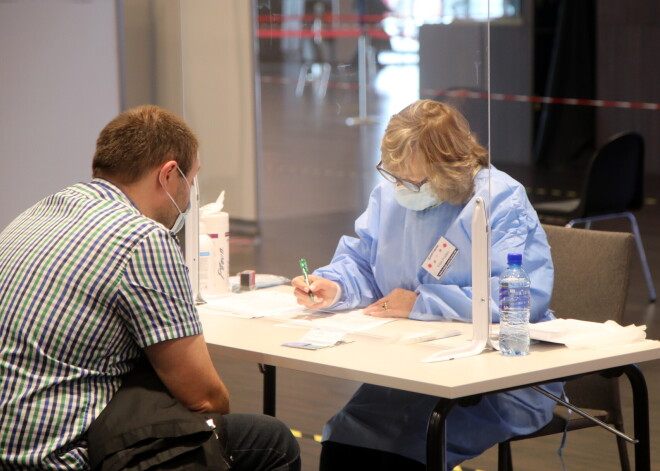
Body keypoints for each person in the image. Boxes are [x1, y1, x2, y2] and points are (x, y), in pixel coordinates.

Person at [0, 105, 300, 471]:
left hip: (12, 444)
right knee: (271, 440)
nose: (190, 195)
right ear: (169, 175)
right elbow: (204, 398)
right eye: (192, 180)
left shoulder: (37, 213)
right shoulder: (142, 239)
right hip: (61, 457)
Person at [291, 99, 561, 470]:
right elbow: (363, 262)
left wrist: (421, 303)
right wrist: (333, 286)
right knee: (345, 438)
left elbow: (519, 299)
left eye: (415, 180)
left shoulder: (496, 198)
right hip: (411, 366)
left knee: (403, 448)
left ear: (451, 167)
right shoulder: (391, 193)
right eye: (395, 175)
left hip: (496, 374)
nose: (403, 187)